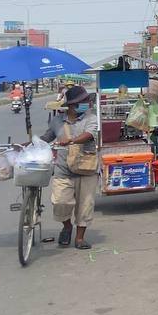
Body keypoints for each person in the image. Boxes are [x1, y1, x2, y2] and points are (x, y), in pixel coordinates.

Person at [41, 86, 100, 250]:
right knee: (60, 202)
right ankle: (67, 226)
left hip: (86, 168)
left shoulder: (91, 118)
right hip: (63, 169)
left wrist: (72, 140)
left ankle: (80, 238)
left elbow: (89, 134)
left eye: (87, 100)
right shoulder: (57, 121)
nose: (87, 103)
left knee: (85, 206)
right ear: (72, 105)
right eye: (83, 101)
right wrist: (31, 143)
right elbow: (47, 137)